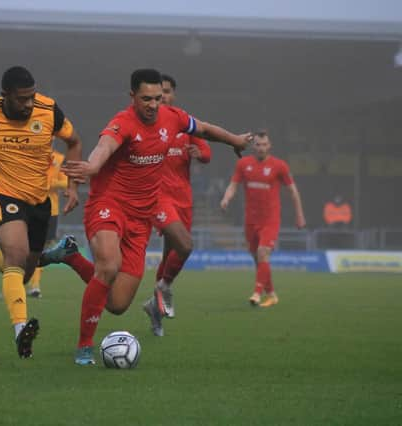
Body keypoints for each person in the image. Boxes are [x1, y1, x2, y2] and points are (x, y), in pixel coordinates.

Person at [45, 69, 251, 365]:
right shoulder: (123, 123)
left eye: (157, 98)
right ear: (132, 97)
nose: (153, 105)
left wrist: (234, 140)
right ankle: (84, 347)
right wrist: (91, 167)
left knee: (116, 303)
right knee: (109, 266)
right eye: (146, 99)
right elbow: (105, 146)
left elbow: (203, 129)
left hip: (142, 217)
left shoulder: (173, 116)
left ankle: (70, 256)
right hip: (109, 205)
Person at [0, 66, 82, 358]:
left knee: (25, 272)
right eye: (22, 99)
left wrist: (73, 186)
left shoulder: (49, 111)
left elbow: (74, 142)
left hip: (40, 201)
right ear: (5, 96)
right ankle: (20, 330)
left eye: (31, 97)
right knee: (16, 253)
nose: (28, 104)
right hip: (4, 194)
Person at [142, 74, 213, 337]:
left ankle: (155, 309)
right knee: (184, 245)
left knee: (171, 253)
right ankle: (165, 288)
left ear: (173, 95)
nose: (163, 97)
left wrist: (200, 154)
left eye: (167, 92)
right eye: (159, 93)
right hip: (158, 197)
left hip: (183, 198)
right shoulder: (147, 124)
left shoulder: (183, 122)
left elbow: (206, 151)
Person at [220, 130, 306, 307]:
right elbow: (233, 185)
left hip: (270, 220)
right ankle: (272, 294)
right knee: (258, 259)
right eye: (258, 144)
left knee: (262, 253)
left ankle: (256, 294)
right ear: (253, 146)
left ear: (270, 146)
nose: (261, 148)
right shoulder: (244, 164)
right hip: (250, 221)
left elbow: (293, 191)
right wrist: (226, 198)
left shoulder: (279, 166)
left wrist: (299, 215)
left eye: (264, 144)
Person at [28, 149, 68, 298]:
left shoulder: (59, 158)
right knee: (26, 246)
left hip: (51, 210)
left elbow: (65, 182)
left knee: (42, 248)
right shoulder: (31, 154)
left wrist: (51, 183)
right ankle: (27, 282)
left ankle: (34, 284)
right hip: (31, 206)